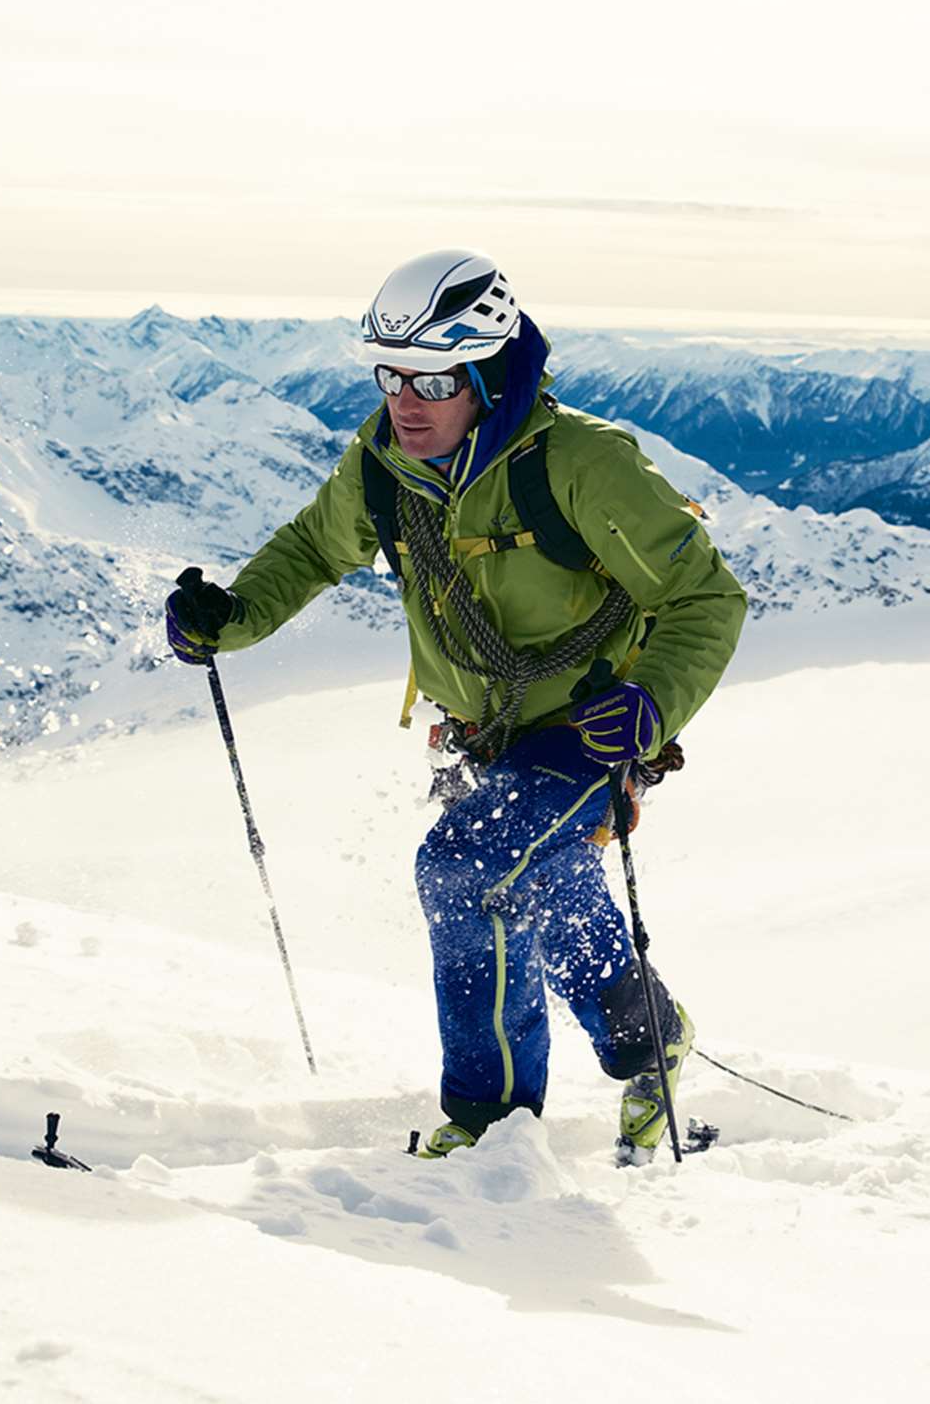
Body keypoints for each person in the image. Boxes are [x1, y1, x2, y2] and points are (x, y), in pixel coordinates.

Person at [165, 249, 748, 1161]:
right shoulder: (384, 466)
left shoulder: (582, 465)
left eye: (432, 376)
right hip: (483, 739)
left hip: (589, 729)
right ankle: (651, 1044)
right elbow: (317, 550)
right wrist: (230, 619)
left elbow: (707, 598)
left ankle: (488, 1125)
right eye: (390, 373)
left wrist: (651, 705)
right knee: (541, 888)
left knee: (463, 866)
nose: (405, 399)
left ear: (485, 373)